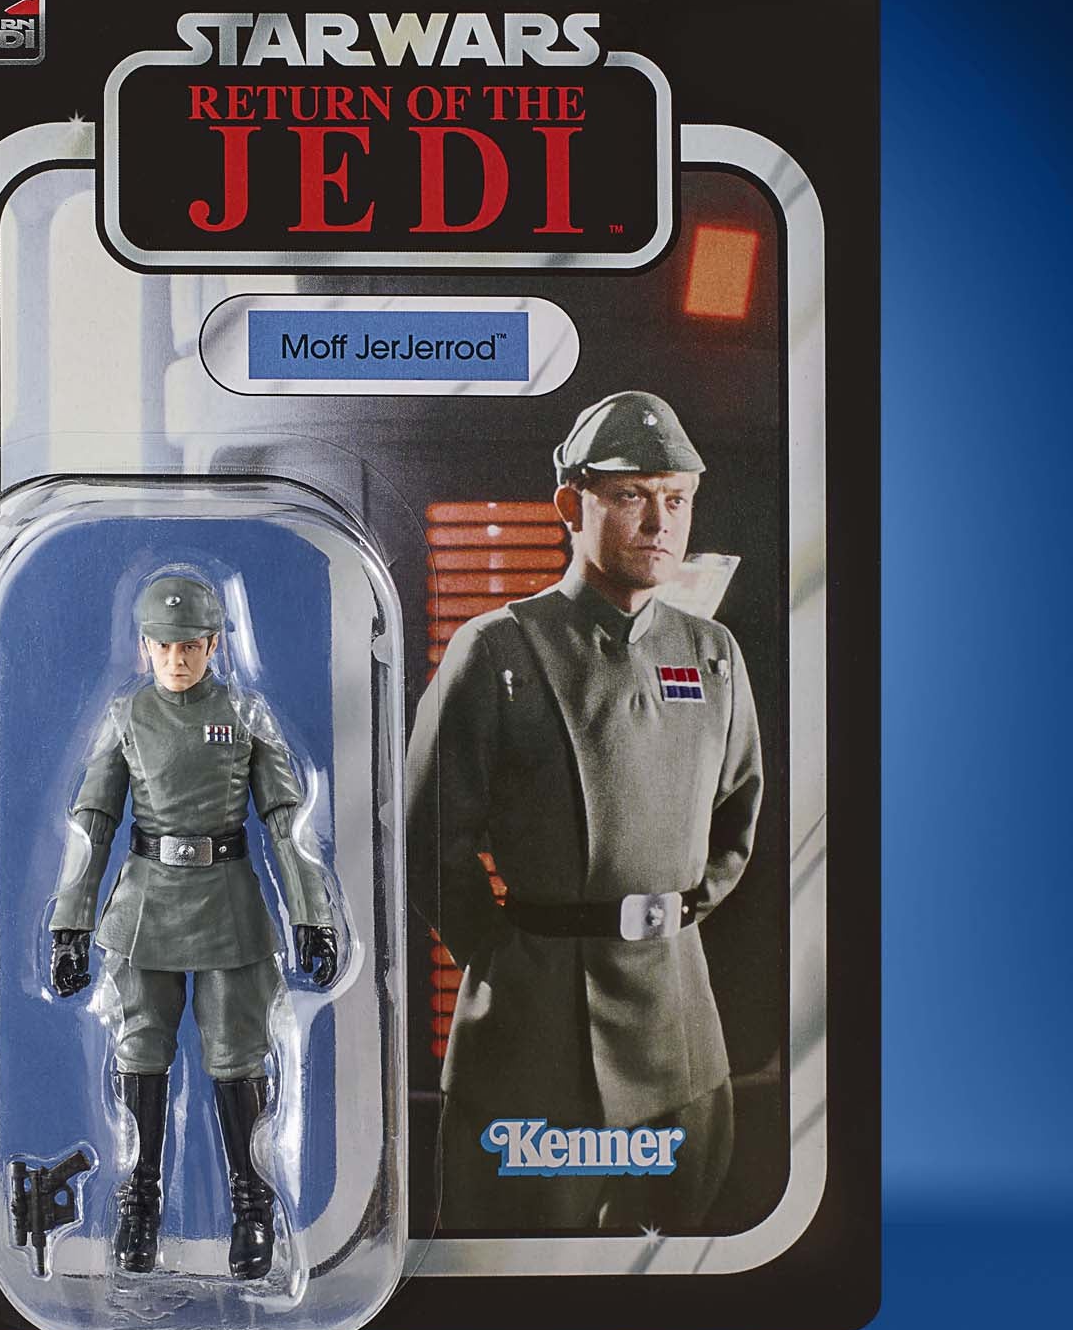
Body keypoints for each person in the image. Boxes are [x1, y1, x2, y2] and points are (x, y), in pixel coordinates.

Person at [405, 392, 764, 1234]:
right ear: (571, 504)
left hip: (678, 1027)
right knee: (523, 1264)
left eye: (676, 498)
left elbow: (739, 821)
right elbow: (427, 838)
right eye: (632, 495)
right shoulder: (497, 647)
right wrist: (509, 960)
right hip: (534, 1035)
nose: (660, 522)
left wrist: (666, 924)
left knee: (674, 1262)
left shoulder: (711, 653)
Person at [44, 573, 338, 1280]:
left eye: (190, 646)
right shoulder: (126, 718)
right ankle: (138, 1207)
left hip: (229, 902)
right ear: (145, 647)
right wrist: (70, 923)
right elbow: (92, 823)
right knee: (140, 1051)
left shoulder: (245, 715)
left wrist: (313, 915)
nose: (177, 659)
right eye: (164, 646)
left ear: (213, 645)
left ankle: (252, 1209)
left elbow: (286, 822)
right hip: (146, 904)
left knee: (238, 1055)